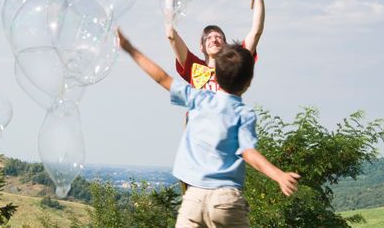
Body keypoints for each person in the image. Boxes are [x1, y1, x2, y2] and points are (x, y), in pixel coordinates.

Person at [117, 32, 300, 228]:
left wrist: (130, 49)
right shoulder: (243, 113)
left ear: (216, 76)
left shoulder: (199, 98)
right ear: (248, 82)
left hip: (193, 200)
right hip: (227, 201)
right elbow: (248, 152)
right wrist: (278, 175)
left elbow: (161, 77)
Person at [166, 0, 266, 92]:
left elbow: (256, 31)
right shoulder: (194, 67)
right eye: (207, 38)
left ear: (226, 44)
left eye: (218, 37)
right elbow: (171, 34)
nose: (213, 39)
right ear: (201, 47)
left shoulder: (235, 65)